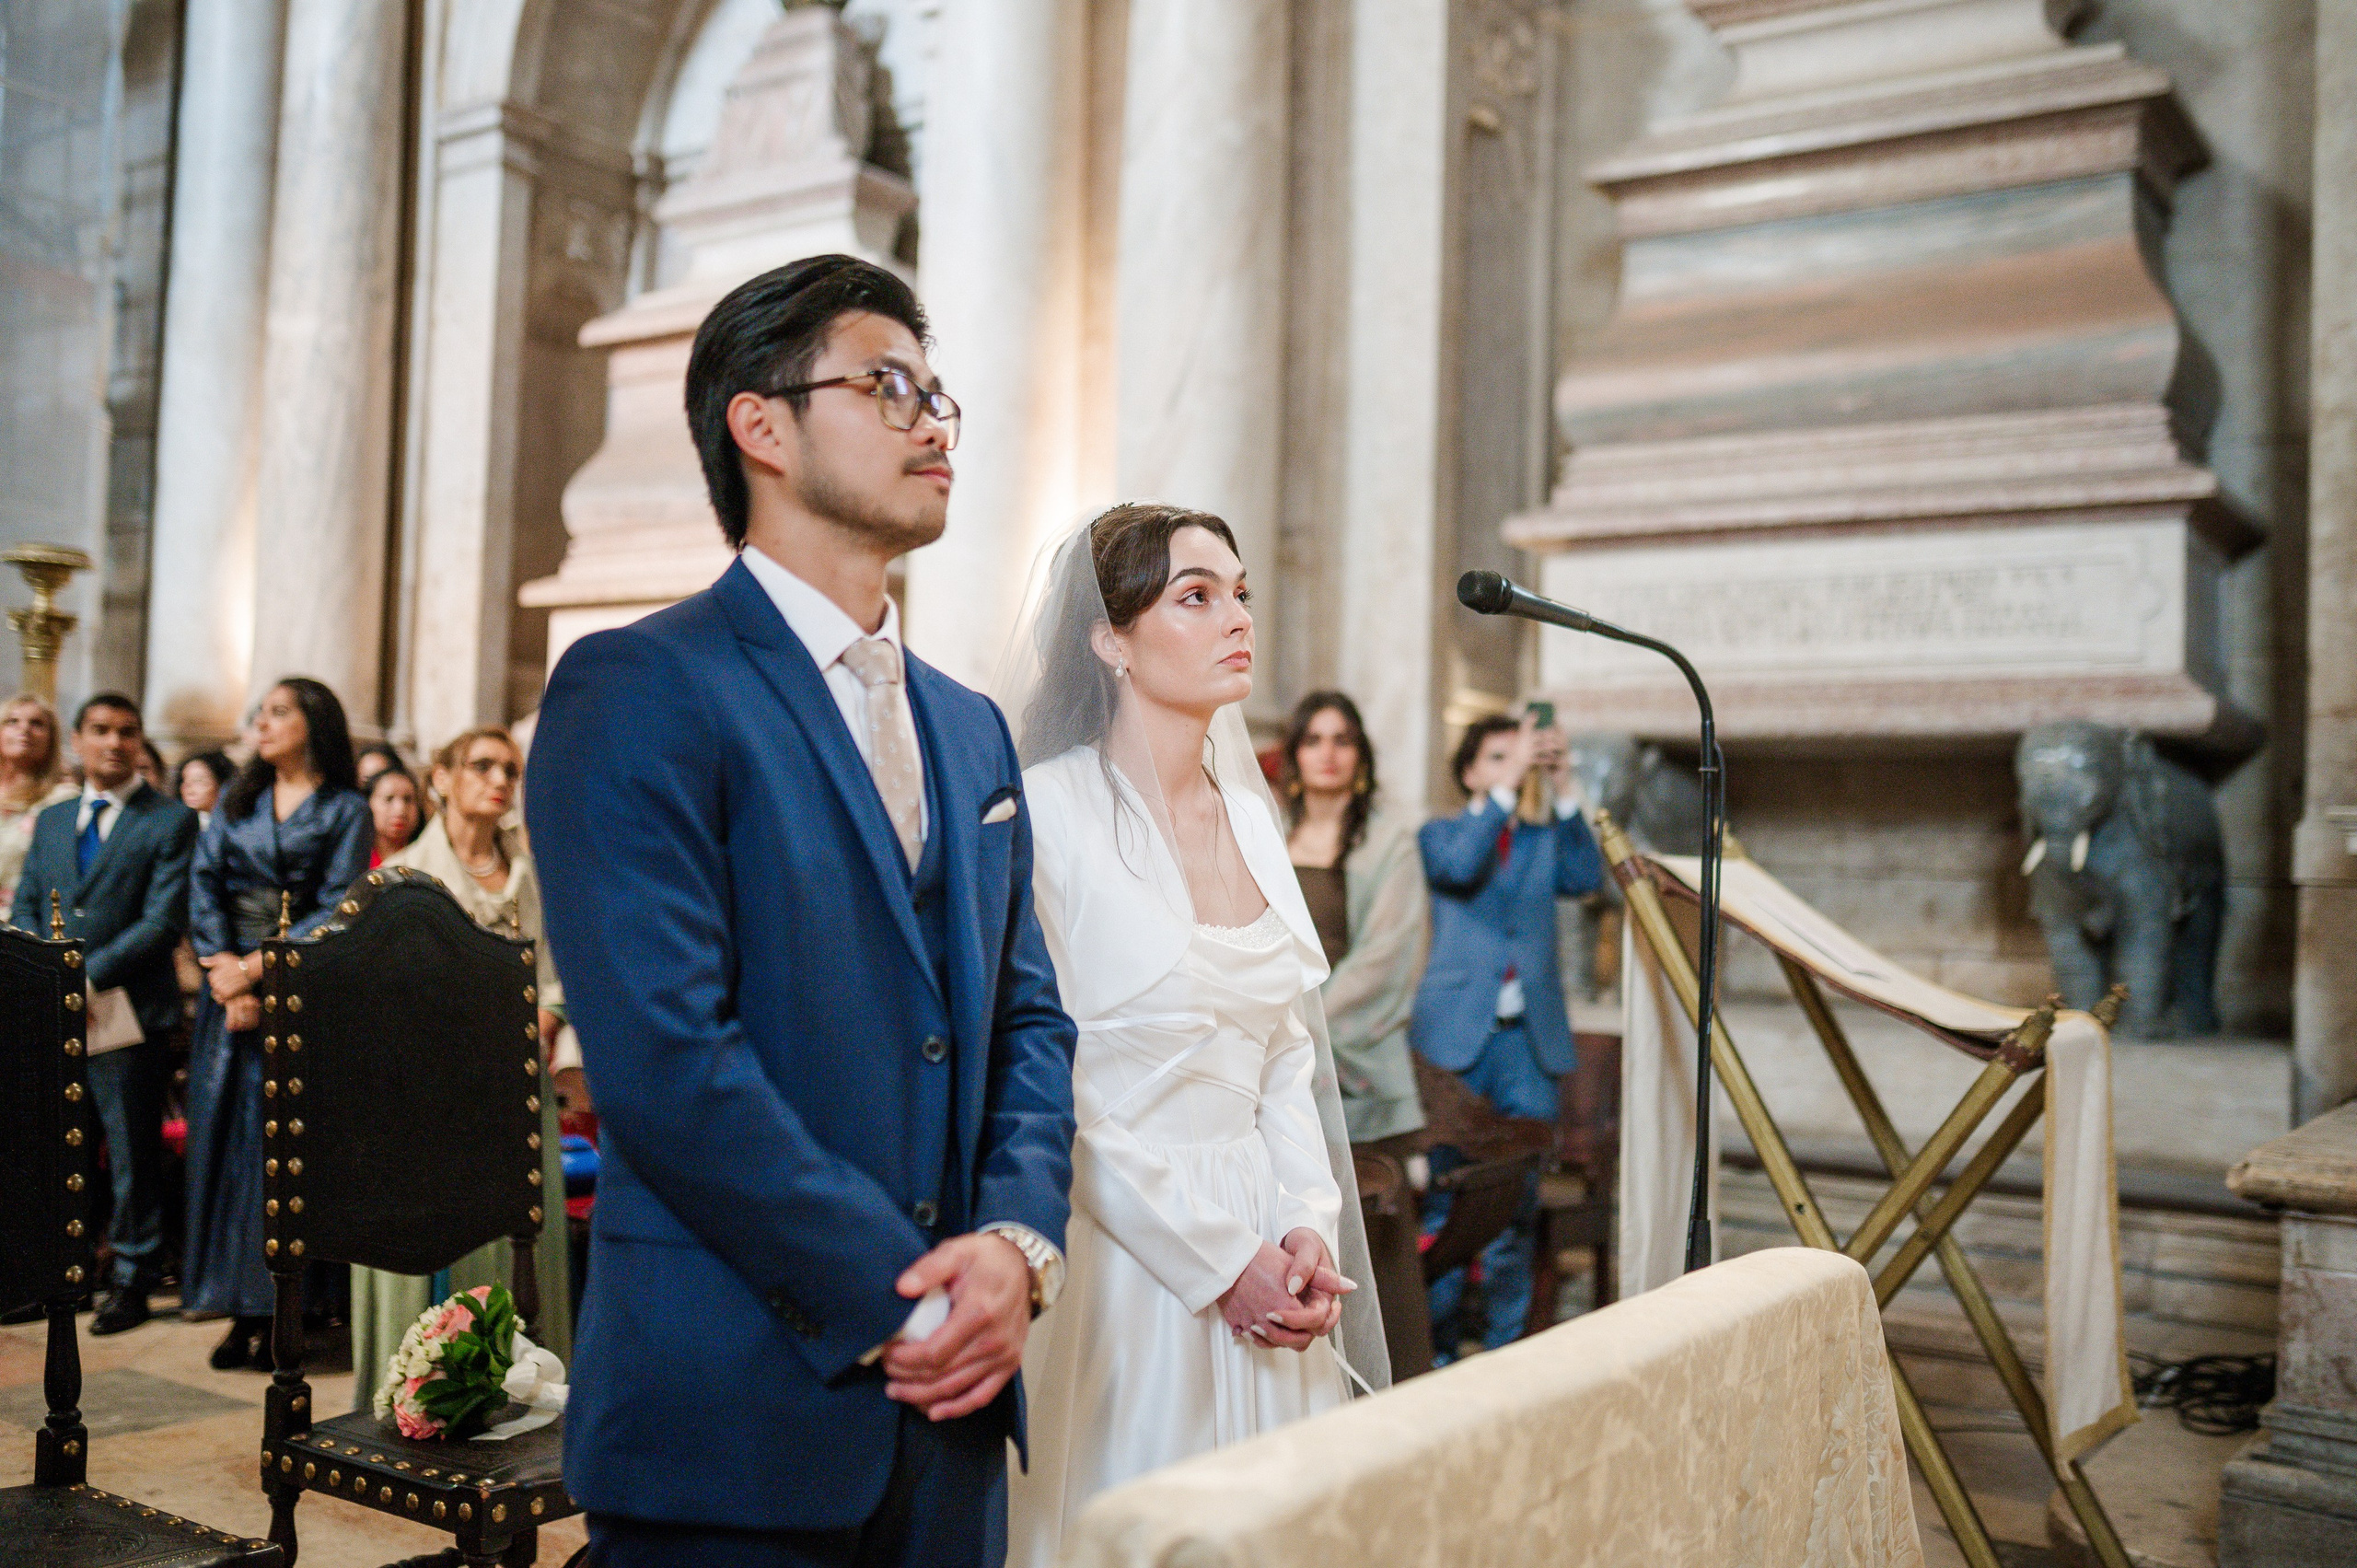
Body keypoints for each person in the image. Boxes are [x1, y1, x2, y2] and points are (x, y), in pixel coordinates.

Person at [528, 254, 1075, 1568]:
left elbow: (1028, 1016)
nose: (934, 421)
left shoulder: (969, 723)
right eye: (888, 384)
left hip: (949, 1421)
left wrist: (1011, 1245)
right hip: (735, 1405)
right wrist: (897, 1296)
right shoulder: (639, 686)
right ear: (759, 425)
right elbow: (665, 1055)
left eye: (939, 392)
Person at [1003, 505, 1387, 1567]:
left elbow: (1283, 1056)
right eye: (1196, 594)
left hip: (1270, 1256)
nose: (1236, 619)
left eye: (1241, 592)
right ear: (1108, 637)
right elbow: (1049, 1083)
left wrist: (1306, 1227)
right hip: (1130, 1261)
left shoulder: (1253, 821)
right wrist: (1219, 1262)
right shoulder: (1050, 813)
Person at [350, 726, 570, 1403]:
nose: (499, 779)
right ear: (440, 777)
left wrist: (545, 1018)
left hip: (515, 1087)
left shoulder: (533, 874)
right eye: (481, 765)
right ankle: (422, 1391)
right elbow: (378, 993)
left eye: (510, 767)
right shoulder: (400, 876)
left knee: (518, 1238)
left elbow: (558, 975)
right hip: (428, 1091)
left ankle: (523, 1390)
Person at [183, 677, 372, 1370]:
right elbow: (202, 884)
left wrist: (259, 970)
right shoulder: (239, 799)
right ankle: (231, 1305)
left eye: (279, 713)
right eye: (259, 713)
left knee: (279, 1153)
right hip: (227, 986)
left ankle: (285, 1308)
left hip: (298, 987)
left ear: (314, 722)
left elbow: (337, 903)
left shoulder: (346, 808)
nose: (262, 724)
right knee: (221, 1147)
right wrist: (222, 968)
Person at [1411, 712, 1605, 1357]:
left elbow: (1586, 877)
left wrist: (1564, 783)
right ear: (1469, 770)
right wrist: (1508, 783)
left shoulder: (1542, 840)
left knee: (1516, 1216)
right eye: (1496, 756)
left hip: (1528, 1045)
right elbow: (1461, 867)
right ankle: (1432, 1358)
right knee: (1445, 1208)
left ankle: (1503, 1359)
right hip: (1454, 1046)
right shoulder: (1441, 835)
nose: (1510, 765)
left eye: (1515, 755)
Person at [10, 692, 199, 1335]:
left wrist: (86, 973)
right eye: (100, 730)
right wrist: (45, 971)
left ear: (140, 742)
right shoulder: (56, 818)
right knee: (62, 1145)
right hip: (57, 1008)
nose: (113, 742)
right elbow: (32, 899)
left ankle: (133, 1275)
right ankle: (66, 1272)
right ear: (78, 740)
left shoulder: (168, 819)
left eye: (126, 731)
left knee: (129, 1150)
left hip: (127, 1009)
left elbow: (163, 917)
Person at [1279, 691, 1427, 1156]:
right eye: (1313, 740)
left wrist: (1307, 1026)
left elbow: (1386, 955)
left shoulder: (1389, 845)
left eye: (1342, 741)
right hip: (1269, 1040)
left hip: (1346, 1050)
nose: (1327, 754)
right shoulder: (1266, 836)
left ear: (1360, 757)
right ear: (1295, 755)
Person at [0, 692, 76, 912]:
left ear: (51, 739)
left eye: (36, 724)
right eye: (12, 721)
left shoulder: (62, 799)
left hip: (22, 922)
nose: (24, 729)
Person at [365, 763, 421, 866]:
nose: (400, 809)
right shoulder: (355, 857)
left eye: (408, 799)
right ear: (368, 803)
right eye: (389, 799)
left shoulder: (426, 856)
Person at [175, 749, 234, 829]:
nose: (189, 791)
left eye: (198, 781)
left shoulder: (235, 826)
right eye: (184, 780)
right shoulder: (175, 824)